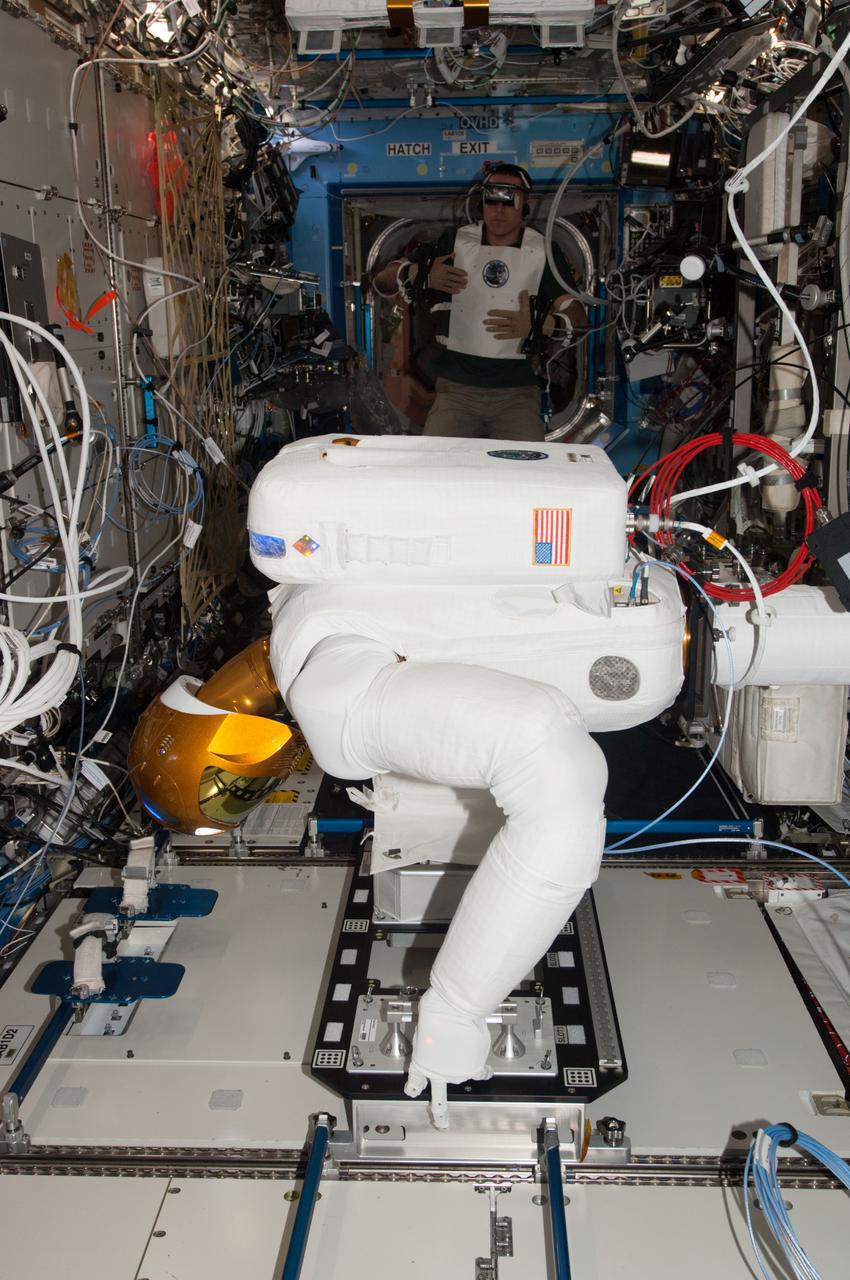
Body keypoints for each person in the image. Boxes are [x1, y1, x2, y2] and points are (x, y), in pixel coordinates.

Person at [371, 164, 585, 440]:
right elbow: (381, 282)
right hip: (457, 392)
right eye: (491, 199)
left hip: (516, 395)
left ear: (524, 204)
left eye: (508, 200)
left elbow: (578, 317)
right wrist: (416, 273)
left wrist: (546, 324)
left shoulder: (542, 252)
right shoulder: (453, 243)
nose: (498, 208)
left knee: (531, 473)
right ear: (481, 201)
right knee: (434, 468)